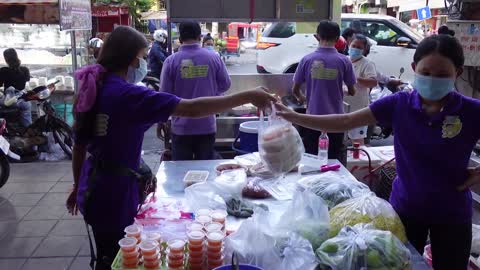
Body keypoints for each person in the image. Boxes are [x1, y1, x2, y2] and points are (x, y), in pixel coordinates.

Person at [66, 26, 275, 270]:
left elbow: (79, 146)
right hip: (115, 195)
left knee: (108, 250)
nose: (144, 62)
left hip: (92, 187)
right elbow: (190, 108)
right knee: (118, 255)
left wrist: (76, 183)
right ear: (132, 60)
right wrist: (247, 96)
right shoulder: (128, 95)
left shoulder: (93, 87)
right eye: (143, 57)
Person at [276, 34, 477, 270]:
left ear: (458, 73)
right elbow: (345, 121)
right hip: (406, 208)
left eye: (442, 75)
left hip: (452, 213)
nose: (433, 80)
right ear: (414, 68)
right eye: (426, 73)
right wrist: (295, 116)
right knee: (399, 265)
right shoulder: (399, 103)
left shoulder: (472, 111)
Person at [160, 21, 231, 160]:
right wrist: (210, 91)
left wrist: (162, 120)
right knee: (206, 171)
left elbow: (164, 96)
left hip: (180, 128)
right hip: (207, 126)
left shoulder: (171, 61)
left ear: (180, 39)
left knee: (181, 171)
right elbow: (225, 85)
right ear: (200, 37)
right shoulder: (214, 58)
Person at [292, 20, 356, 165]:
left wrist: (304, 99)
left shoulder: (306, 60)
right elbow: (352, 91)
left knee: (312, 161)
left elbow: (295, 90)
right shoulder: (345, 61)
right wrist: (343, 90)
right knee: (333, 162)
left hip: (312, 121)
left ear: (316, 37)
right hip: (336, 122)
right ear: (338, 38)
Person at [344, 34, 377, 145]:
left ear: (364, 50)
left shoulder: (367, 64)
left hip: (359, 109)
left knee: (357, 141)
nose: (355, 49)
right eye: (354, 45)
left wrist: (354, 78)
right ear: (349, 45)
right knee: (340, 139)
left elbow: (373, 81)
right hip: (343, 106)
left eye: (359, 48)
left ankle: (359, 162)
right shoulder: (344, 60)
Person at [0, 48, 32, 127]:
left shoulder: (3, 70)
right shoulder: (25, 69)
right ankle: (27, 129)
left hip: (8, 102)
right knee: (27, 108)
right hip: (22, 101)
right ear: (16, 56)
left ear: (6, 59)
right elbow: (27, 81)